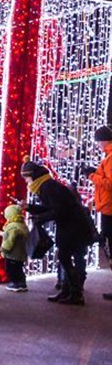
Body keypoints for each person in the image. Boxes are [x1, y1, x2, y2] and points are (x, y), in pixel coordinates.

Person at [22, 159, 94, 305]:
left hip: (72, 228)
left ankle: (75, 293)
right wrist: (30, 207)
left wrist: (39, 217)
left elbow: (59, 210)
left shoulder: (47, 187)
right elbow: (52, 207)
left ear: (32, 176)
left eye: (26, 177)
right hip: (72, 226)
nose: (25, 181)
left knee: (64, 257)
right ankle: (68, 291)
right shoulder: (47, 185)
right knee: (64, 257)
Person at [85, 125, 112, 301]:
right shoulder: (108, 157)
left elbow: (109, 184)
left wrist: (92, 176)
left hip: (110, 209)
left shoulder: (110, 158)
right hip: (107, 207)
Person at [0, 204, 29, 292]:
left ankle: (14, 283)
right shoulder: (22, 225)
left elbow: (9, 240)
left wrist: (4, 249)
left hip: (12, 253)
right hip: (22, 252)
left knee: (11, 269)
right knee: (19, 268)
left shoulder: (12, 226)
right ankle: (22, 283)